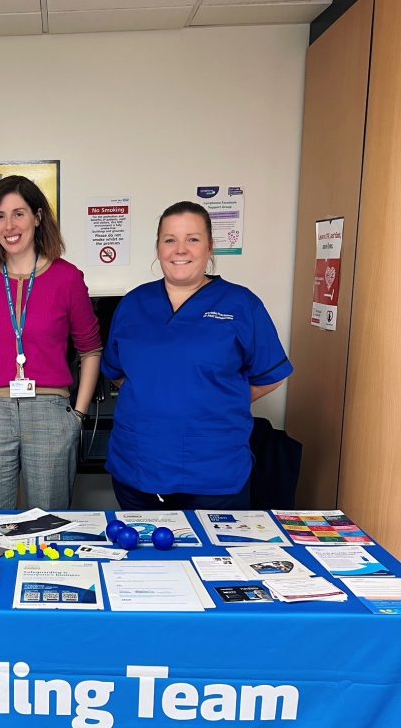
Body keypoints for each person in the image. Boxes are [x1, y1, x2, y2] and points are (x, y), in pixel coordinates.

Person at [102, 201, 293, 510]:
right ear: (158, 247)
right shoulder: (133, 304)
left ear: (209, 246)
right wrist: (159, 395)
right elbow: (117, 372)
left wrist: (219, 401)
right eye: (170, 240)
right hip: (137, 467)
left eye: (192, 239)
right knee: (141, 544)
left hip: (214, 474)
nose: (180, 249)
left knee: (213, 544)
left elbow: (270, 377)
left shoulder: (241, 305)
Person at [0, 175, 101, 510]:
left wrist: (78, 416)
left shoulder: (67, 277)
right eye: (0, 216)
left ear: (38, 217)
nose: (9, 225)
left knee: (48, 521)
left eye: (19, 214)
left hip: (49, 412)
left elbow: (90, 349)